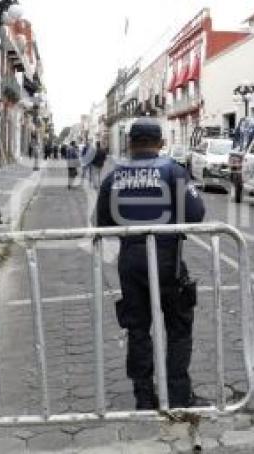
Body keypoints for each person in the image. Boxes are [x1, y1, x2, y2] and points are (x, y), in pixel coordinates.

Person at [95, 118, 206, 409]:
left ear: (130, 143)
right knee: (179, 328)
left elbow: (102, 222)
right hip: (167, 259)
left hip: (131, 261)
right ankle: (178, 396)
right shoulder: (172, 171)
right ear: (160, 144)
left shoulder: (113, 177)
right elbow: (196, 213)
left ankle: (144, 397)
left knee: (138, 329)